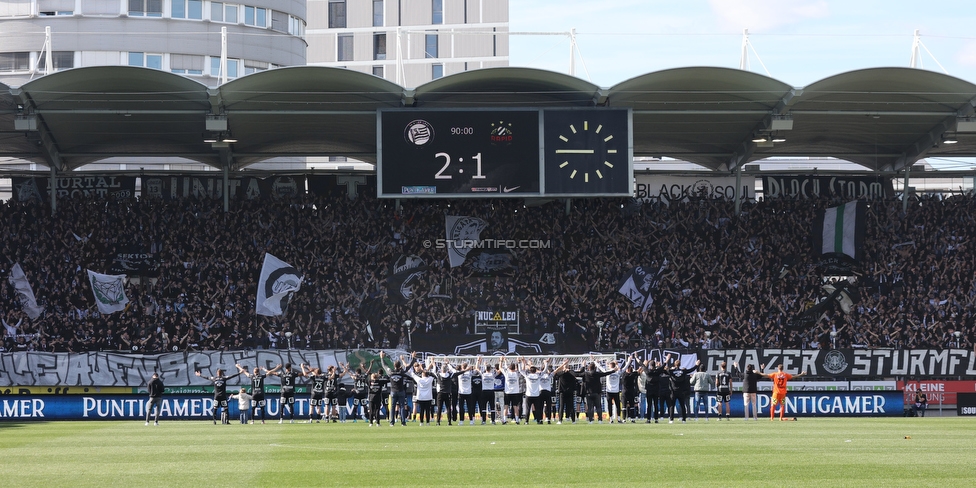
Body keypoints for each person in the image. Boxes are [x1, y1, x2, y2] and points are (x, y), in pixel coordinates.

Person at [379, 350, 417, 426]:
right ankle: (403, 422)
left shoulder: (390, 373)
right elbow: (408, 367)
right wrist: (413, 358)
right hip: (401, 391)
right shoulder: (401, 372)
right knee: (402, 407)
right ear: (400, 366)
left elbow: (384, 366)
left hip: (393, 391)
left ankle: (392, 422)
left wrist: (382, 358)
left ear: (394, 366)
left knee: (392, 407)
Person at [580, 358, 617, 424]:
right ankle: (600, 420)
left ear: (589, 368)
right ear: (595, 368)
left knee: (590, 407)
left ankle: (591, 420)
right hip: (597, 393)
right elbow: (606, 373)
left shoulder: (585, 374)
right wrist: (613, 371)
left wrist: (583, 366)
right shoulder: (597, 374)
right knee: (598, 407)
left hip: (588, 393)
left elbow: (578, 374)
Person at [666, 356, 701, 424]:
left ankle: (671, 419)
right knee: (682, 405)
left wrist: (666, 361)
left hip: (673, 391)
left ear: (674, 364)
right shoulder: (683, 371)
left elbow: (664, 370)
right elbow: (691, 370)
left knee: (672, 406)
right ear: (680, 364)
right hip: (681, 391)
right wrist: (696, 365)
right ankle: (684, 419)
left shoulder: (672, 371)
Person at [408, 359, 436, 426]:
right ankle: (428, 422)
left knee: (421, 410)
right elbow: (434, 372)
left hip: (420, 397)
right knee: (427, 411)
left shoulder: (419, 379)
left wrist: (411, 359)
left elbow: (411, 373)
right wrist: (433, 364)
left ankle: (421, 422)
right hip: (428, 397)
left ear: (422, 375)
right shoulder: (430, 379)